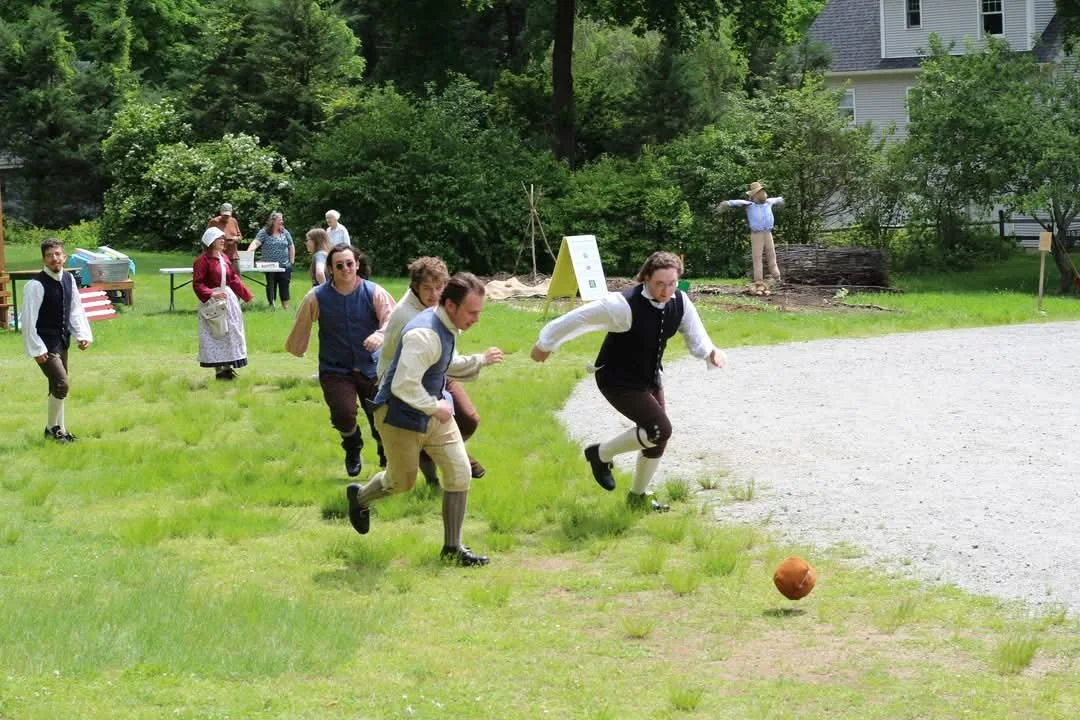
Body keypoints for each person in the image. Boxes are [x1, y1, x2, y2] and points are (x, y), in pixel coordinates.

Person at [530, 251, 726, 512]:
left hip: (649, 376)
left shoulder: (680, 301)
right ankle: (600, 455)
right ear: (646, 278)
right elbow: (578, 318)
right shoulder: (622, 305)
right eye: (660, 284)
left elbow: (695, 334)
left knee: (658, 437)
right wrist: (546, 343)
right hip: (616, 379)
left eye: (672, 283)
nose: (667, 290)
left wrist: (710, 352)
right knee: (659, 430)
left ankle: (638, 496)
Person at [345, 273, 501, 566]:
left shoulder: (446, 325)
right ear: (451, 305)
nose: (476, 319)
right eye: (472, 312)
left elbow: (443, 363)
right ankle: (360, 498)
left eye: (479, 312)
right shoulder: (424, 334)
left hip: (433, 412)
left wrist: (479, 360)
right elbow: (403, 384)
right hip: (397, 416)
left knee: (459, 472)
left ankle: (452, 550)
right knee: (401, 482)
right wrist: (434, 406)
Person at [377, 256, 496, 484]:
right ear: (415, 288)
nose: (434, 295)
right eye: (427, 288)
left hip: (437, 371)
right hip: (404, 381)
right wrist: (480, 360)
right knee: (402, 479)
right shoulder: (410, 318)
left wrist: (478, 361)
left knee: (469, 419)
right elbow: (405, 378)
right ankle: (435, 467)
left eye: (439, 288)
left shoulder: (442, 310)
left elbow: (447, 359)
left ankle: (439, 453)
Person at [285, 245, 397, 476]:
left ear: (357, 264)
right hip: (335, 368)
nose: (345, 269)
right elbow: (302, 322)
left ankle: (385, 450)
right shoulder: (317, 296)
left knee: (381, 416)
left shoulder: (374, 292)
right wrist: (297, 346)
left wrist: (379, 335)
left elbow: (393, 320)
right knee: (343, 414)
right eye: (339, 265)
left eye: (349, 263)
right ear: (330, 269)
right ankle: (352, 445)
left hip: (372, 367)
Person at [21, 238, 93, 443]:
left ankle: (61, 429)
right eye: (50, 255)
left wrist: (82, 334)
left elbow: (75, 309)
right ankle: (52, 429)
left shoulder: (69, 279)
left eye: (58, 254)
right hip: (44, 344)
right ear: (43, 259)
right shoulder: (35, 285)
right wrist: (36, 349)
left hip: (62, 341)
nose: (55, 259)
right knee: (61, 384)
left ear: (64, 257)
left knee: (56, 386)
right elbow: (28, 320)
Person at [194, 227, 254, 380]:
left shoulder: (224, 258)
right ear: (210, 242)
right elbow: (198, 284)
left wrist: (246, 295)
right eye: (219, 239)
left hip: (227, 301)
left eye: (223, 238)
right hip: (212, 303)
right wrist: (212, 293)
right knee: (216, 333)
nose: (223, 241)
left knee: (231, 333)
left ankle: (228, 368)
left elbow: (233, 278)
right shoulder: (202, 261)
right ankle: (219, 370)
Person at [716, 181, 784, 286]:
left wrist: (783, 200)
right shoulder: (750, 205)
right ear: (754, 195)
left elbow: (779, 199)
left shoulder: (769, 202)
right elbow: (737, 202)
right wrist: (727, 203)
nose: (762, 194)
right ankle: (759, 280)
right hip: (756, 234)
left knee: (772, 255)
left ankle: (776, 277)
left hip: (767, 232)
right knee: (757, 257)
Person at [248, 211, 295, 309]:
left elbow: (291, 246)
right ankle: (271, 305)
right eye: (279, 219)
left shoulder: (285, 232)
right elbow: (256, 243)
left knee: (284, 286)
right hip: (269, 266)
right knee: (271, 285)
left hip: (284, 265)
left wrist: (292, 261)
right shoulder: (264, 232)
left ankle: (286, 308)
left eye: (282, 219)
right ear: (273, 221)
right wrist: (249, 252)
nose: (282, 221)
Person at [207, 203, 244, 274]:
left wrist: (236, 238)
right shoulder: (214, 222)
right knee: (220, 277)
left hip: (233, 256)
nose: (226, 217)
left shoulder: (233, 221)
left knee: (236, 278)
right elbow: (207, 239)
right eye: (224, 215)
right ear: (220, 212)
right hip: (218, 255)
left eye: (228, 215)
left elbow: (240, 236)